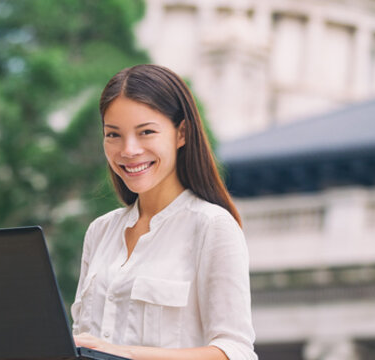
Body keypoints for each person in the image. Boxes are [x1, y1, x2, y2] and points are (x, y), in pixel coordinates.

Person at [70, 64, 257, 360]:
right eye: (113, 135)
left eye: (146, 132)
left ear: (181, 133)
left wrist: (123, 354)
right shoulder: (100, 231)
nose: (128, 150)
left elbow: (235, 352)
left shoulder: (212, 227)